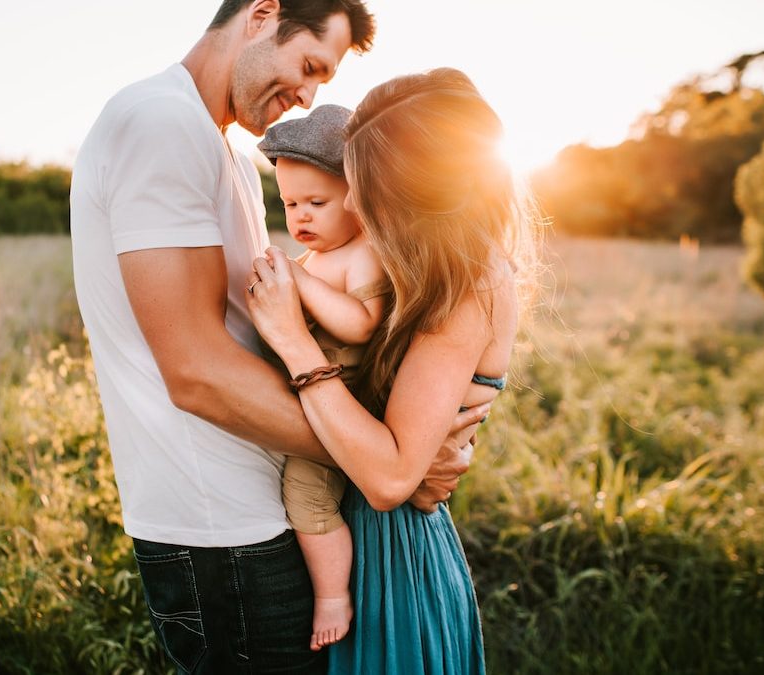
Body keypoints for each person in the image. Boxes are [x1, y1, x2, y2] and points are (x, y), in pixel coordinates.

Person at [69, 1, 491, 672]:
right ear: (262, 14)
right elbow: (197, 371)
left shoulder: (226, 154)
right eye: (308, 66)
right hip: (225, 530)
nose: (308, 95)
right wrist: (388, 461)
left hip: (266, 515)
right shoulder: (159, 124)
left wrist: (395, 452)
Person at [246, 67, 537, 674]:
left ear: (419, 192)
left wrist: (294, 342)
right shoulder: (419, 269)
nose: (352, 202)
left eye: (364, 185)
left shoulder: (469, 284)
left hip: (393, 559)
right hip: (363, 537)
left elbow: (389, 478)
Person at [257, 103, 389, 651]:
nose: (301, 217)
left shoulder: (364, 255)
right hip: (310, 399)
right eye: (290, 204)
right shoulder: (317, 258)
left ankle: (333, 595)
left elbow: (361, 324)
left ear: (358, 199)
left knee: (306, 497)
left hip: (344, 411)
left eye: (317, 202)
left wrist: (299, 283)